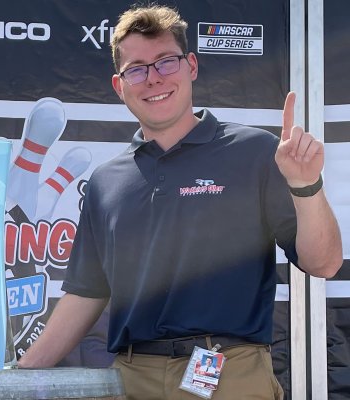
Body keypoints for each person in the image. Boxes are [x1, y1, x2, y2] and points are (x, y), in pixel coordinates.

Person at [18, 4, 342, 400]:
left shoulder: (256, 152)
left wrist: (306, 186)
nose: (153, 79)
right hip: (133, 379)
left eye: (165, 63)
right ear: (120, 86)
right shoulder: (105, 182)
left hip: (229, 375)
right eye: (136, 68)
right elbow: (86, 293)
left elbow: (323, 262)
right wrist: (18, 377)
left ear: (191, 66)